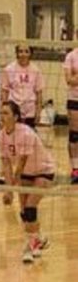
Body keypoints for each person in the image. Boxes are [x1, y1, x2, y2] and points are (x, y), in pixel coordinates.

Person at [0, 101, 53, 263]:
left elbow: (20, 164)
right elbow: (6, 165)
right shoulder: (0, 137)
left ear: (16, 117)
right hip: (26, 174)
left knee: (30, 207)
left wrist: (11, 191)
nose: (2, 116)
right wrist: (7, 190)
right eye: (1, 113)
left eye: (6, 113)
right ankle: (38, 238)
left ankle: (30, 247)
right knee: (24, 212)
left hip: (43, 170)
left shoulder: (26, 133)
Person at [0, 45, 44, 128]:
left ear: (30, 54)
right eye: (20, 51)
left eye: (26, 51)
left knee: (28, 137)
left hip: (30, 109)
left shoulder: (36, 70)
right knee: (13, 136)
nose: (23, 54)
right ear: (17, 53)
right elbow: (4, 92)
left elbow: (39, 93)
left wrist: (38, 112)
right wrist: (3, 112)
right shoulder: (9, 69)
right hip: (13, 109)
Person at [64, 43, 78, 184]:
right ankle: (75, 169)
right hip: (74, 99)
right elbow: (69, 80)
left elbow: (74, 79)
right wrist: (73, 78)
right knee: (74, 135)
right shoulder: (71, 56)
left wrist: (76, 76)